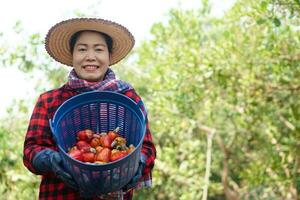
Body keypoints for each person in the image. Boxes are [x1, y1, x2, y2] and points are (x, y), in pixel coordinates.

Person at [23, 18, 156, 200]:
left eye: (99, 49)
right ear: (72, 56)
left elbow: (147, 148)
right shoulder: (50, 101)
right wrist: (50, 160)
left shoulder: (129, 98)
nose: (90, 56)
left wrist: (137, 163)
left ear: (109, 56)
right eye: (82, 49)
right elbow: (31, 150)